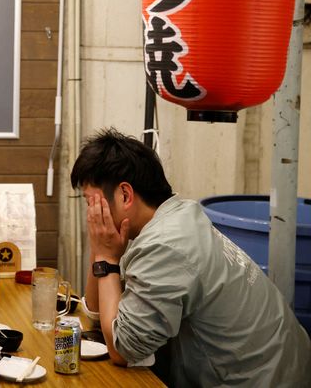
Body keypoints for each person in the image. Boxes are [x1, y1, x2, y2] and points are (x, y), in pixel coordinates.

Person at [71, 128, 311, 387]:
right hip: (285, 366)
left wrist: (106, 257)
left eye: (91, 203)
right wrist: (100, 247)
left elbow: (123, 349)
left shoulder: (165, 245)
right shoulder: (179, 213)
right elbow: (98, 315)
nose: (91, 216)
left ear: (125, 195)